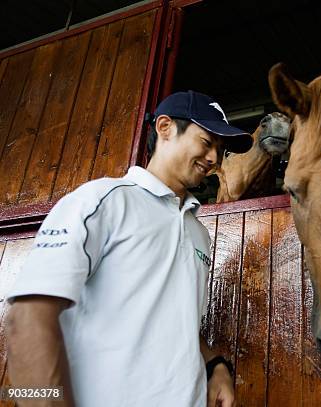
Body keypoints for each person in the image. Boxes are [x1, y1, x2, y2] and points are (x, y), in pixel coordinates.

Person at [5, 91, 252, 407]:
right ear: (164, 128)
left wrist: (216, 366)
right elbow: (26, 318)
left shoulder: (198, 232)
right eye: (206, 142)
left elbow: (179, 322)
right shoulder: (102, 201)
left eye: (221, 150)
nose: (215, 159)